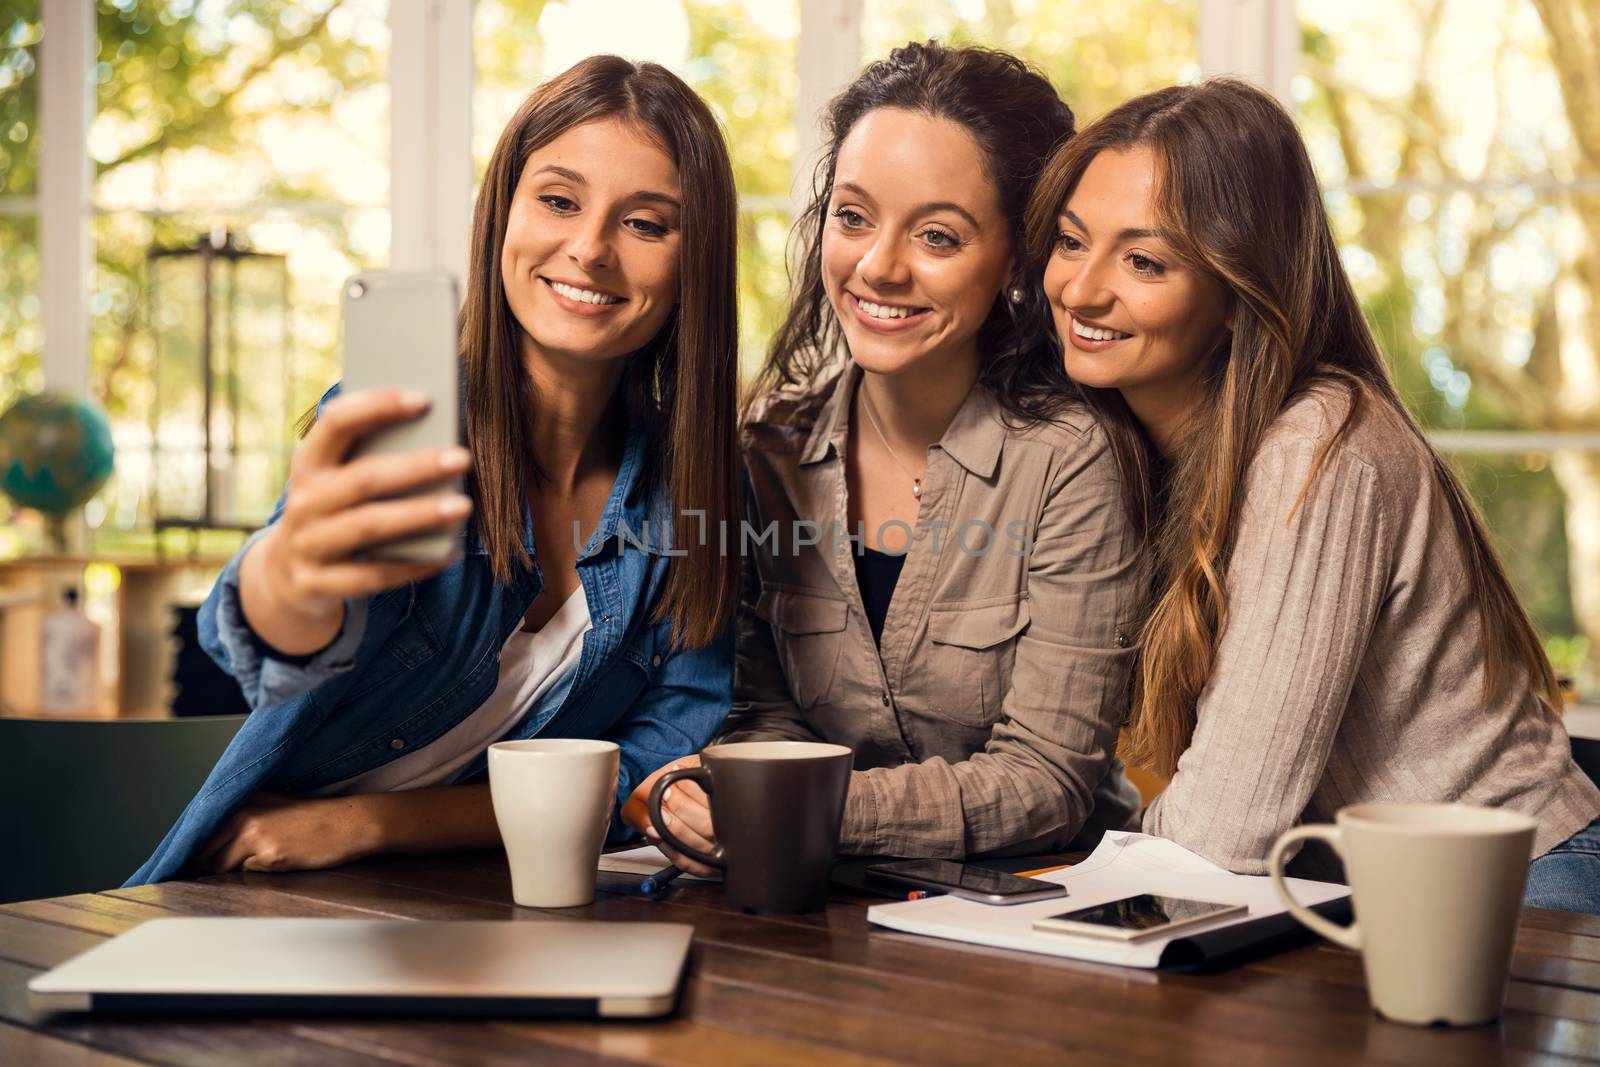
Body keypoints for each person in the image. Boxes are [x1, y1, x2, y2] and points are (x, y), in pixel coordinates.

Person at [128, 55, 742, 884]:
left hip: (486, 893)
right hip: (261, 886)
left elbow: (651, 763)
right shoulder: (404, 425)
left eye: (645, 224)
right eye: (558, 201)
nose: (590, 249)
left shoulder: (696, 487)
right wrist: (291, 574)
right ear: (502, 217)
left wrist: (365, 824)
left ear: (692, 263)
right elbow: (273, 644)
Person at [1025, 78, 1600, 912]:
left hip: (1520, 890)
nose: (1080, 290)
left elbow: (1227, 825)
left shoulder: (1323, 446)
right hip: (1357, 892)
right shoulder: (1127, 442)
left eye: (1143, 260)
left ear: (1236, 292)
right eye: (1072, 241)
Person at [647, 41, 1143, 874]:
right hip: (812, 904)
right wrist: (729, 803)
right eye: (853, 217)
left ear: (1017, 260)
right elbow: (761, 714)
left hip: (1039, 911)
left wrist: (786, 807)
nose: (878, 267)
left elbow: (1046, 779)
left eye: (938, 237)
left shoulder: (1072, 460)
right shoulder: (768, 451)